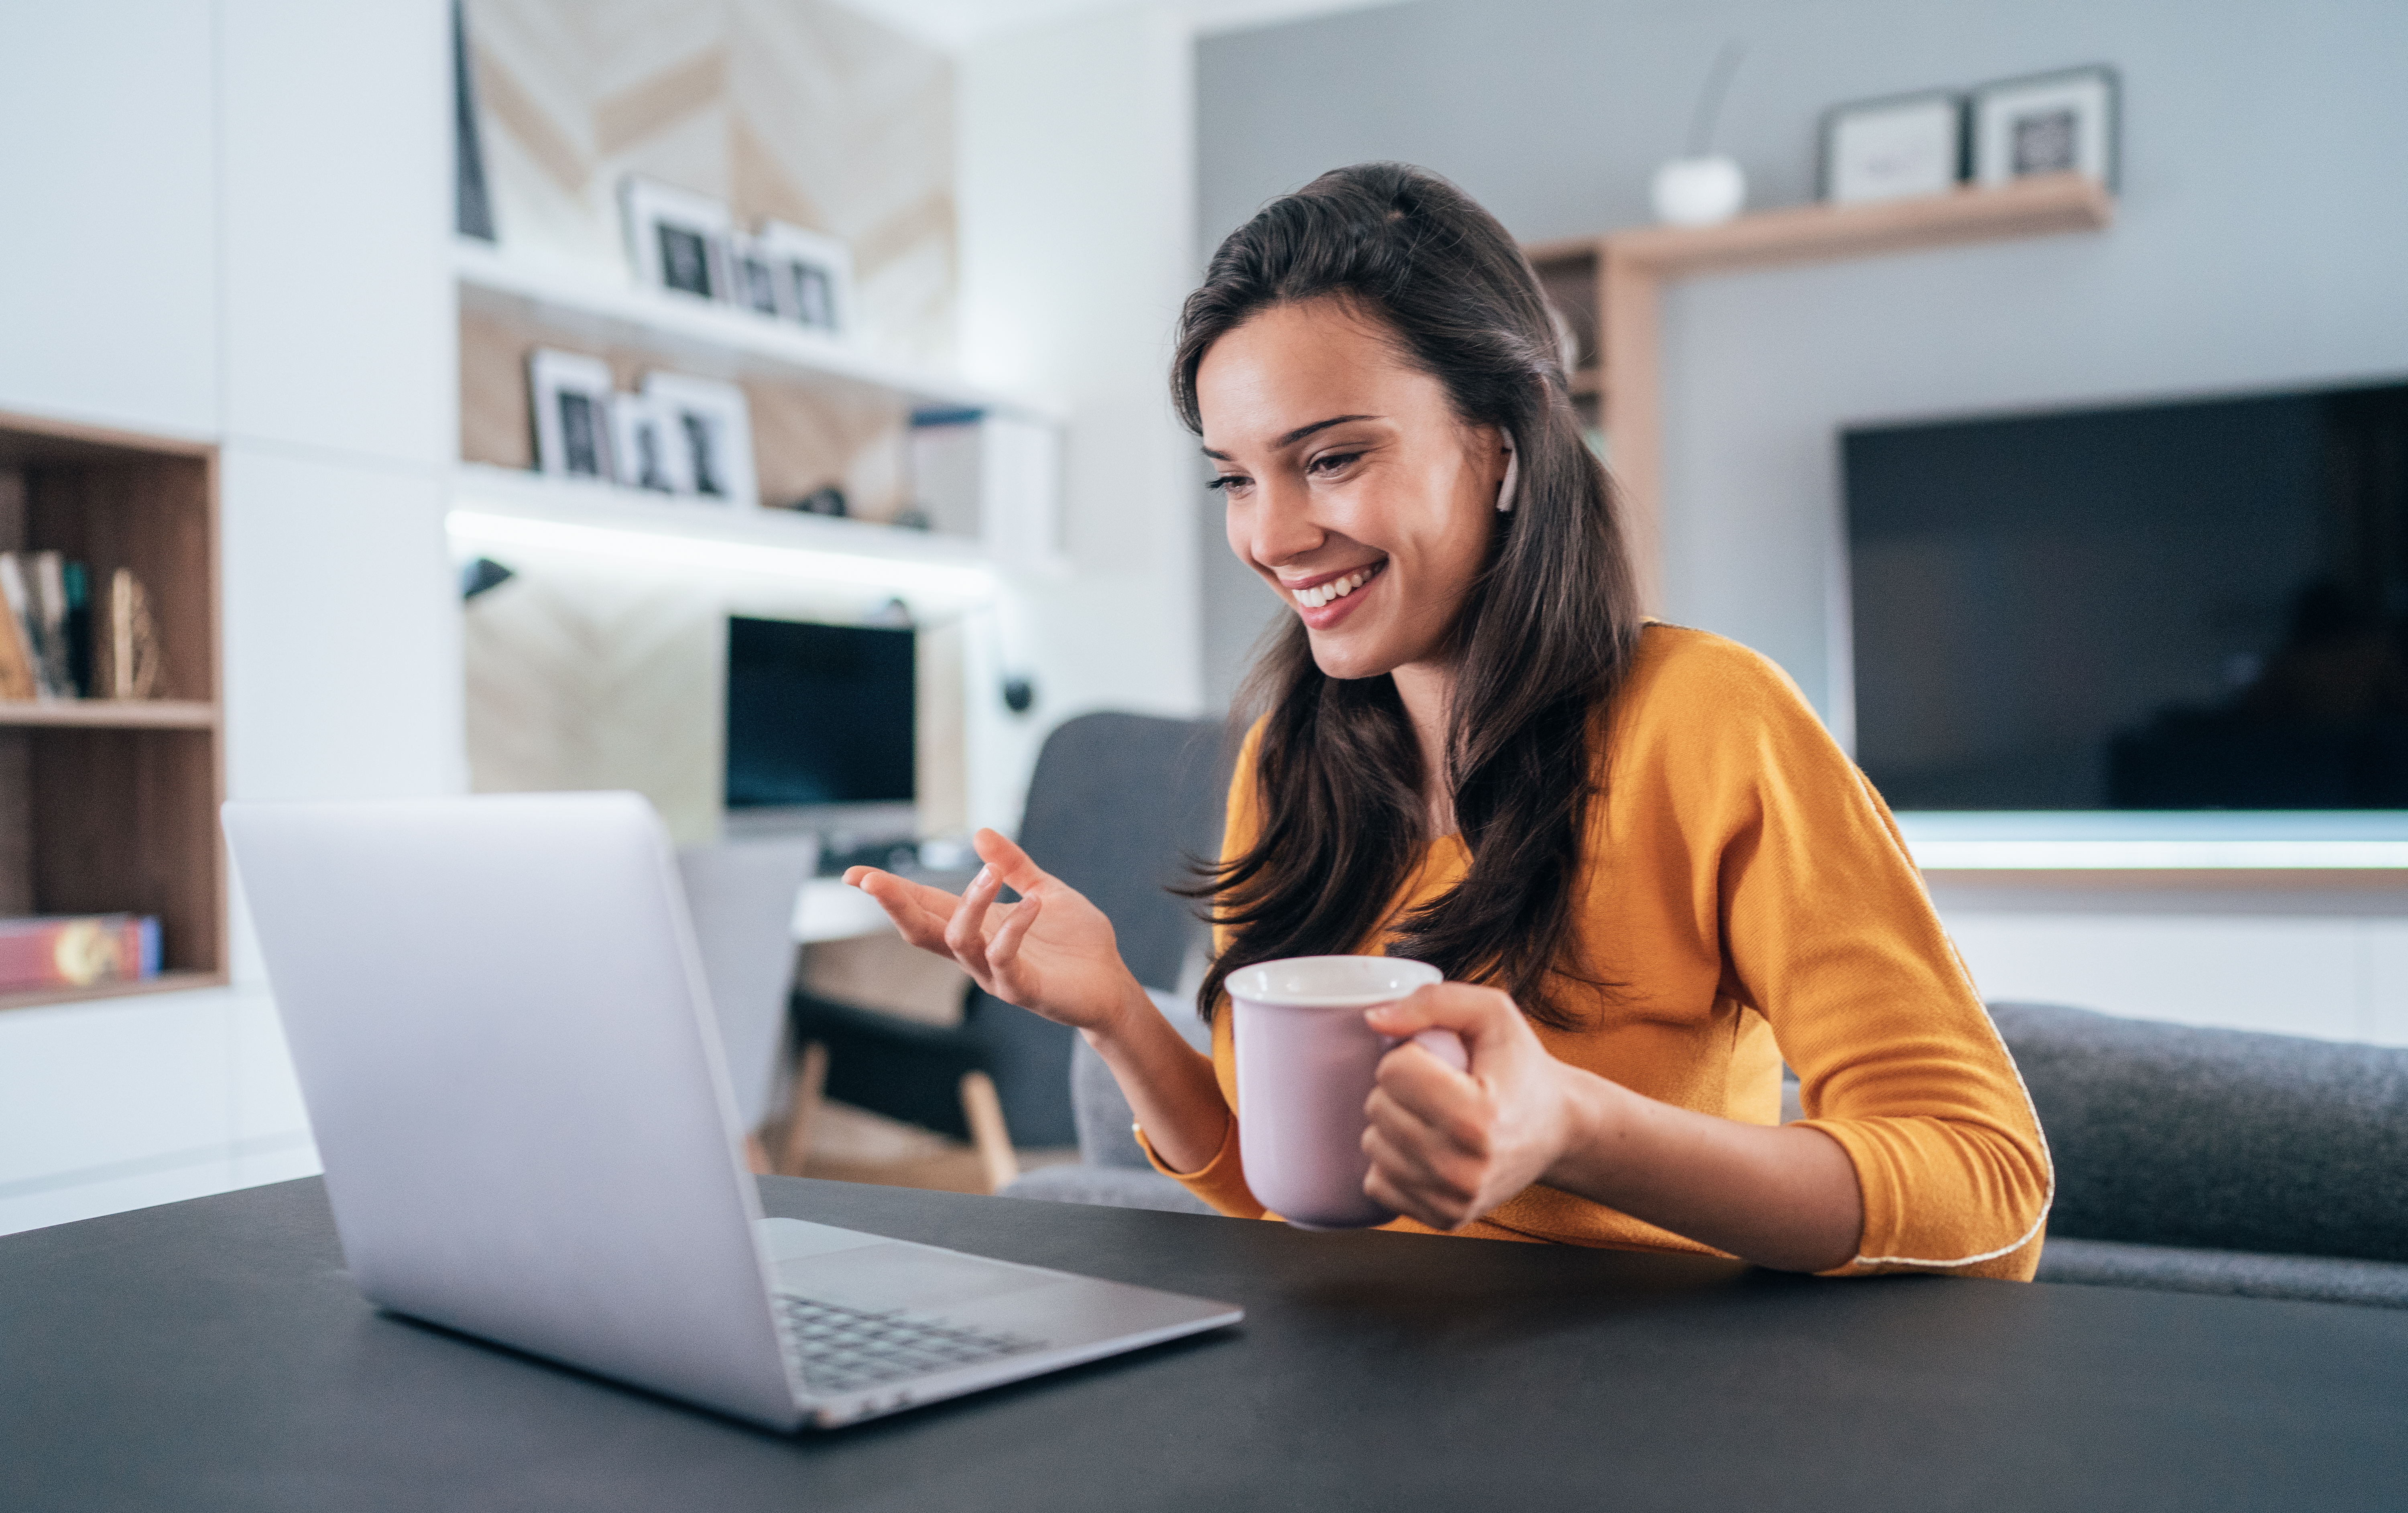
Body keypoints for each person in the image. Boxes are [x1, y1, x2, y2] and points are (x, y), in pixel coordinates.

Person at [848, 163, 2051, 1277]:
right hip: (1360, 1388)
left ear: (1505, 442)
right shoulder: (1291, 756)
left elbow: (1988, 1188)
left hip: (1649, 1403)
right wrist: (1113, 1007)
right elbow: (1284, 1196)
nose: (1268, 536)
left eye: (1329, 458)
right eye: (1235, 477)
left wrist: (1575, 1128)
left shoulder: (1708, 723)